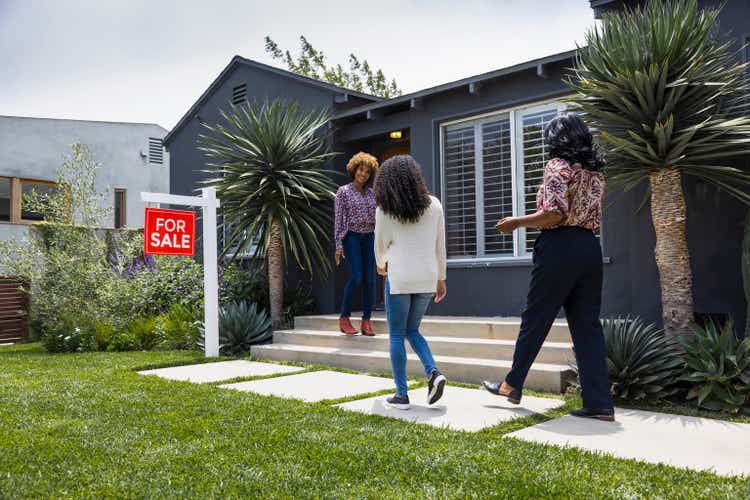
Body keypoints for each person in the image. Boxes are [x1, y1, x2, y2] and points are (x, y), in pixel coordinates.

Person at [482, 113, 615, 422]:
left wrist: (516, 222)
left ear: (557, 139)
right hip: (589, 247)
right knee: (587, 326)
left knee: (536, 317)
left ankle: (511, 384)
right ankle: (599, 403)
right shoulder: (596, 173)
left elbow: (554, 214)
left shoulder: (556, 167)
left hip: (559, 248)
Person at [374, 154, 448, 410]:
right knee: (412, 330)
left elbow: (380, 247)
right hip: (427, 278)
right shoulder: (435, 205)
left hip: (400, 279)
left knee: (396, 334)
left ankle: (401, 395)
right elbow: (440, 246)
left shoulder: (384, 211)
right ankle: (433, 372)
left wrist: (381, 266)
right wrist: (441, 278)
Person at [334, 152, 379, 336]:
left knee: (370, 280)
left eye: (367, 172)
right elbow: (339, 218)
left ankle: (366, 321)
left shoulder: (371, 193)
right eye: (361, 169)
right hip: (351, 236)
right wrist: (338, 244)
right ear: (354, 169)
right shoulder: (343, 191)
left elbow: (378, 217)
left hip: (369, 236)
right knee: (357, 276)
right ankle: (344, 317)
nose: (363, 174)